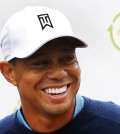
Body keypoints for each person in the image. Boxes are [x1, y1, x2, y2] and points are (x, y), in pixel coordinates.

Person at [0, 6, 120, 134]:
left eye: (67, 59)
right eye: (41, 63)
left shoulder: (115, 123)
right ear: (9, 72)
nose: (58, 74)